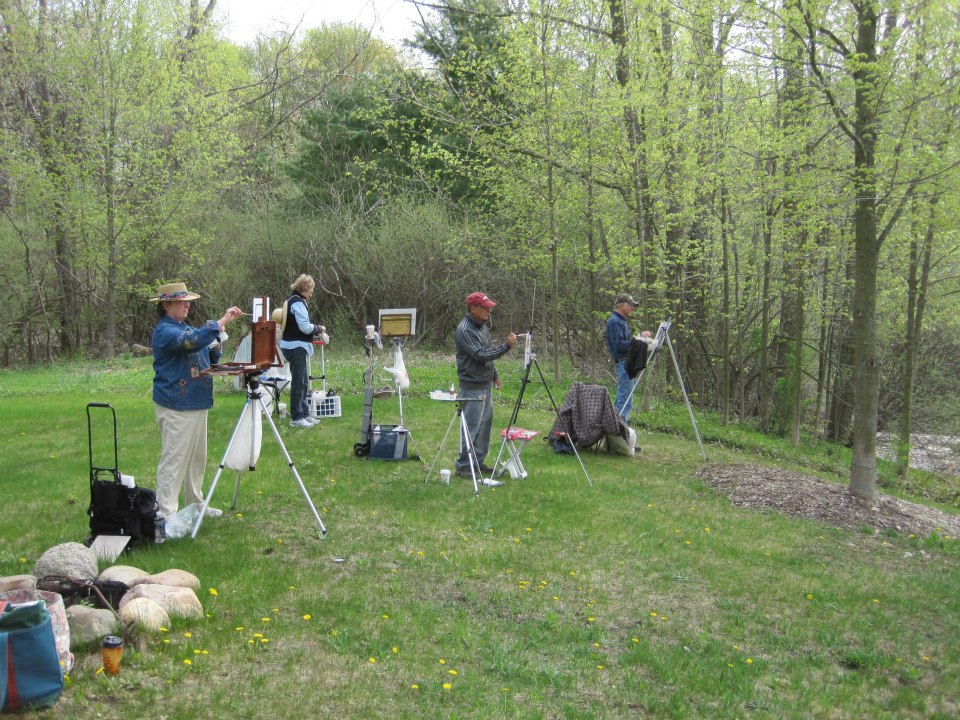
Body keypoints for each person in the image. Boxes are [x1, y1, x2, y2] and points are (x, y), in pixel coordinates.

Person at [150, 282, 244, 519]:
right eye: (181, 301)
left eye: (188, 301)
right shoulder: (165, 330)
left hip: (196, 401)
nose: (186, 305)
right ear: (166, 304)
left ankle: (195, 504)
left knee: (197, 458)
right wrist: (221, 322)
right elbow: (189, 342)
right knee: (174, 458)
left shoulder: (184, 327)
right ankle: (166, 515)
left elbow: (203, 349)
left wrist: (215, 345)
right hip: (176, 404)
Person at [454, 292, 517, 484]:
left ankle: (478, 461)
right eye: (484, 308)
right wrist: (506, 346)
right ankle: (464, 465)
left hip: (485, 382)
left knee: (485, 425)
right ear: (473, 308)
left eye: (489, 308)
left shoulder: (482, 328)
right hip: (472, 385)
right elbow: (480, 354)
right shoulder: (465, 330)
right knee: (471, 426)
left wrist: (494, 375)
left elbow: (488, 351)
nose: (488, 312)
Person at [279, 274, 327, 428]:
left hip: (296, 346)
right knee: (298, 383)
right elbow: (305, 328)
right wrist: (320, 328)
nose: (312, 293)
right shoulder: (298, 303)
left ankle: (305, 413)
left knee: (304, 381)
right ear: (305, 288)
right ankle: (296, 417)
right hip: (295, 347)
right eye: (311, 289)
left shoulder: (295, 300)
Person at [604, 292, 653, 423]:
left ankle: (618, 427)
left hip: (627, 363)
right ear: (621, 305)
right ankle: (618, 428)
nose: (633, 308)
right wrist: (639, 341)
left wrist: (639, 338)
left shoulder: (622, 321)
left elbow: (626, 343)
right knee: (624, 399)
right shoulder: (615, 322)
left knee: (626, 398)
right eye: (630, 305)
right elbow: (620, 346)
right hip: (623, 364)